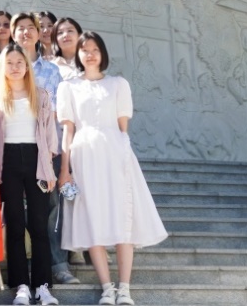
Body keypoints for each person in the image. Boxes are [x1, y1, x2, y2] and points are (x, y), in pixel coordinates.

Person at [57, 32, 168, 306]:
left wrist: (125, 159)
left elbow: (122, 128)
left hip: (115, 154)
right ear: (78, 54)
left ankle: (125, 288)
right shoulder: (68, 87)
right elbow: (68, 130)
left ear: (103, 53)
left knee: (123, 218)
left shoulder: (118, 84)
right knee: (92, 219)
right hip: (83, 155)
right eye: (85, 49)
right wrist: (64, 169)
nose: (90, 54)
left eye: (95, 49)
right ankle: (107, 288)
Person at [0, 44, 60, 306]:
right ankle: (21, 285)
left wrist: (49, 168)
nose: (15, 67)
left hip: (36, 160)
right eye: (10, 62)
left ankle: (42, 286)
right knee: (15, 224)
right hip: (7, 162)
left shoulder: (40, 95)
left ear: (27, 66)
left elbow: (50, 136)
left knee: (39, 225)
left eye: (20, 62)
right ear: (3, 67)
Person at [46, 16, 84, 286]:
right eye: (61, 32)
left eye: (71, 31)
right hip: (61, 142)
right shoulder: (50, 67)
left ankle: (86, 244)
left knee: (85, 197)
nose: (65, 35)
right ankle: (64, 258)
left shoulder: (90, 64)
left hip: (88, 143)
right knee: (59, 203)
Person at [11, 12, 62, 107]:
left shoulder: (52, 71)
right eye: (21, 28)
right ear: (13, 35)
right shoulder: (6, 68)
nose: (26, 32)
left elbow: (58, 107)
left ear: (38, 34)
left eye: (31, 28)